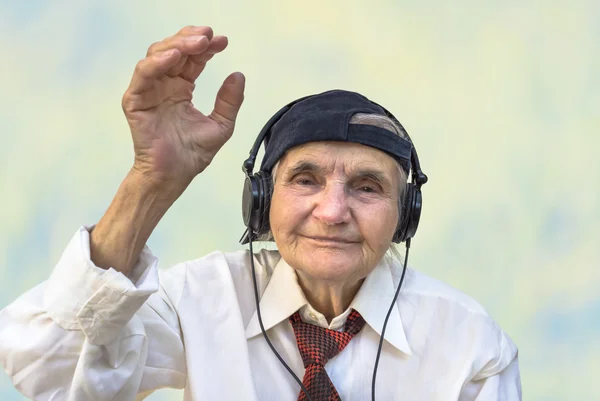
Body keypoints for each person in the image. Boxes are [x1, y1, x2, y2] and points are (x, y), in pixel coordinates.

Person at [0, 25, 521, 401]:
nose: (333, 210)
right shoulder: (199, 300)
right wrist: (150, 183)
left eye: (366, 187)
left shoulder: (469, 343)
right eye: (305, 180)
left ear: (405, 214)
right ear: (260, 201)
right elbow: (45, 368)